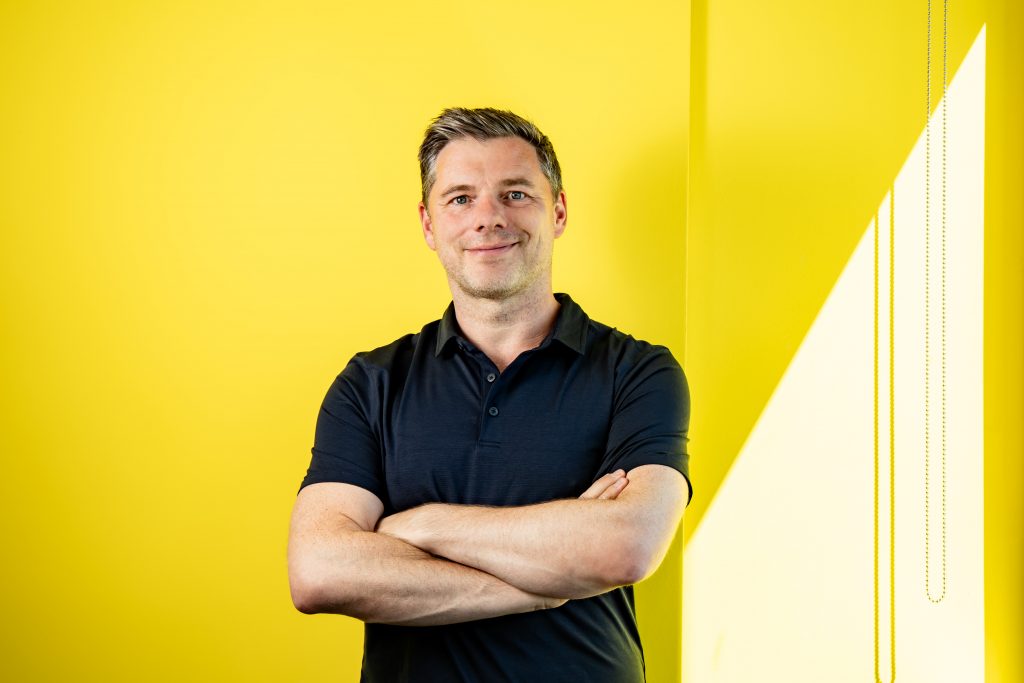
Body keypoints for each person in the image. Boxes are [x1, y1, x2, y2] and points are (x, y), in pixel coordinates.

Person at [287, 107, 693, 682]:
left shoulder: (638, 372)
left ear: (558, 211)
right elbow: (319, 571)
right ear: (429, 224)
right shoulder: (370, 383)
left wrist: (420, 526)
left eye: (515, 194)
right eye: (460, 199)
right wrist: (546, 583)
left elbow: (628, 546)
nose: (488, 218)